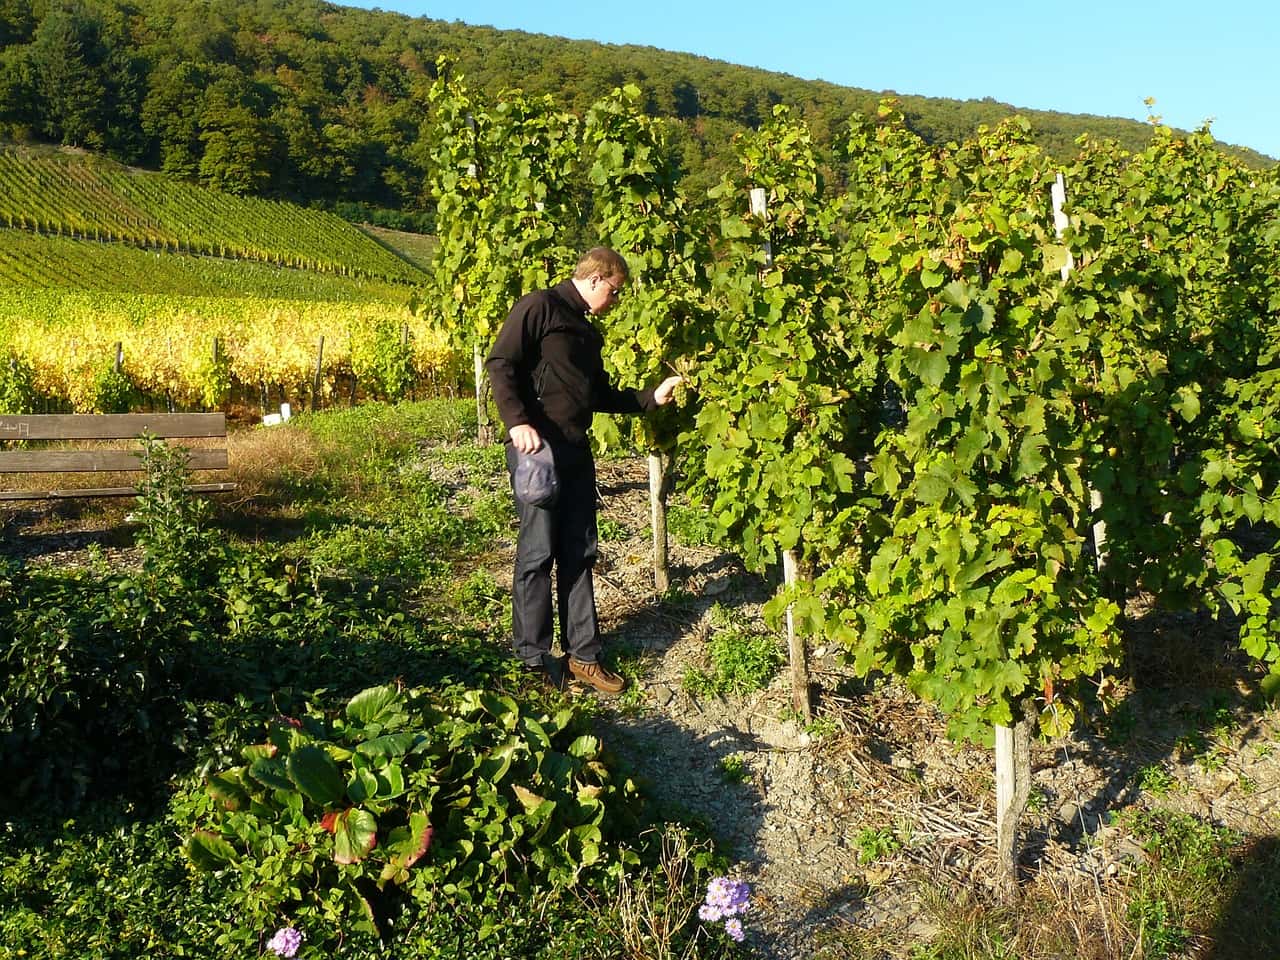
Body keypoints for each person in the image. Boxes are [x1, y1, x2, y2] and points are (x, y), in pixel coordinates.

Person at [486, 247, 681, 694]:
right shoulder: (539, 307)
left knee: (580, 552)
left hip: (575, 450)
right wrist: (517, 422)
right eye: (615, 291)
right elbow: (501, 363)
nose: (615, 300)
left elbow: (598, 395)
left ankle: (583, 657)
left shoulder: (586, 331)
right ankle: (533, 660)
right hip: (537, 451)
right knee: (537, 554)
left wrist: (650, 398)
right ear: (595, 279)